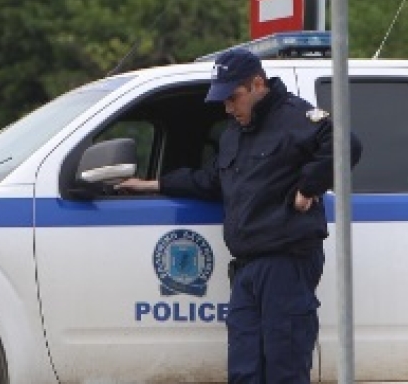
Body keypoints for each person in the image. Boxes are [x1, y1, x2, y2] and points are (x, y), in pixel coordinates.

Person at [118, 47, 361, 384]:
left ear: (257, 84)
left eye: (233, 97)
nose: (228, 107)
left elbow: (346, 144)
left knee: (284, 368)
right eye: (224, 100)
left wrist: (309, 187)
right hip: (247, 266)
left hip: (285, 262)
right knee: (244, 370)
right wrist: (153, 184)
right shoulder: (235, 133)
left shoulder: (293, 117)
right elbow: (213, 180)